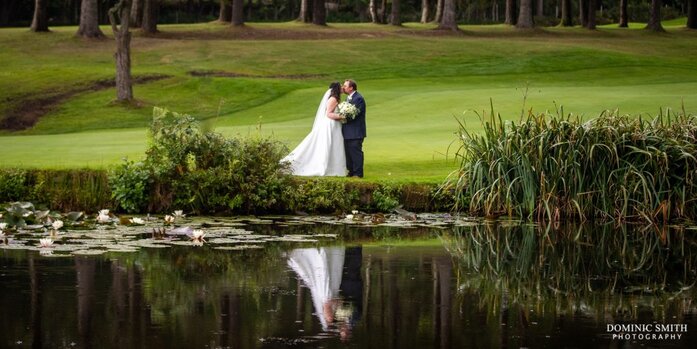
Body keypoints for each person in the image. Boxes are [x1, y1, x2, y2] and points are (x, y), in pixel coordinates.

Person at [280, 82, 346, 176]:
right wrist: (342, 116)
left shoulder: (335, 98)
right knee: (329, 144)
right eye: (340, 87)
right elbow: (328, 114)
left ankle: (334, 167)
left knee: (334, 144)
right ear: (337, 89)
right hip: (330, 124)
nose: (342, 88)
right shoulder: (333, 99)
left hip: (334, 124)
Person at [287, 246, 346, 331]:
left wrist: (339, 301)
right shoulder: (330, 319)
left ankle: (326, 249)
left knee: (327, 270)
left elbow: (327, 304)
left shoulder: (329, 319)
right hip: (330, 293)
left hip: (327, 293)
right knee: (329, 267)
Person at [341, 79, 366, 178]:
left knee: (356, 153)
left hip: (356, 132)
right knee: (348, 153)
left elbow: (354, 114)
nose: (343, 87)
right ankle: (351, 171)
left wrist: (341, 117)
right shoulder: (349, 98)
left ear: (351, 88)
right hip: (347, 131)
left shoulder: (358, 98)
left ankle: (358, 173)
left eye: (345, 86)